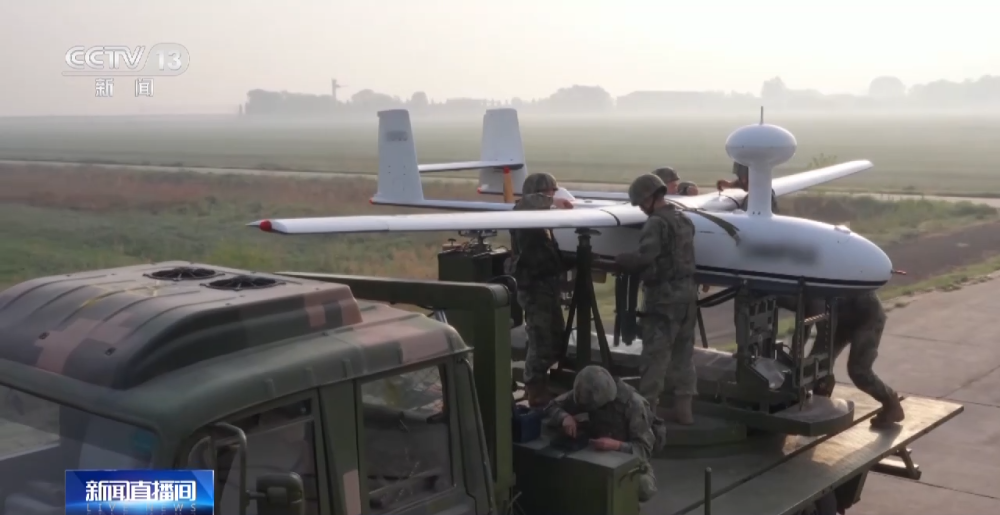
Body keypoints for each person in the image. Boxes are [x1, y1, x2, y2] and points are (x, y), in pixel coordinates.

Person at [614, 174, 698, 425]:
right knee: (684, 355)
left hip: (663, 300)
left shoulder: (655, 223)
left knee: (655, 357)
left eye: (641, 203)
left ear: (650, 198)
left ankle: (647, 414)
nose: (641, 208)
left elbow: (645, 257)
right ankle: (684, 411)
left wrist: (621, 259)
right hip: (688, 296)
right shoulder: (683, 218)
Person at [787, 291, 905, 428]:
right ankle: (822, 396)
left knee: (858, 371)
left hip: (867, 318)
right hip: (842, 318)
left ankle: (891, 404)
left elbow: (825, 332)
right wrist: (794, 359)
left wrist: (807, 365)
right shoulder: (803, 293)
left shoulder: (814, 297)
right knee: (815, 365)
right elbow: (803, 329)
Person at [545, 366, 659, 503]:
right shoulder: (586, 391)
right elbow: (551, 406)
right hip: (593, 449)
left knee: (644, 485)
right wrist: (564, 417)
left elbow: (644, 450)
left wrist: (617, 445)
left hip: (624, 455)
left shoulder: (634, 404)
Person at [509, 172, 574, 407]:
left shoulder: (541, 220)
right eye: (546, 192)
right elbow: (526, 203)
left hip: (547, 286)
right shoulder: (523, 212)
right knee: (540, 339)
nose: (550, 196)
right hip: (534, 288)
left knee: (555, 336)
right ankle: (534, 390)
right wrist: (554, 201)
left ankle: (542, 385)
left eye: (552, 192)